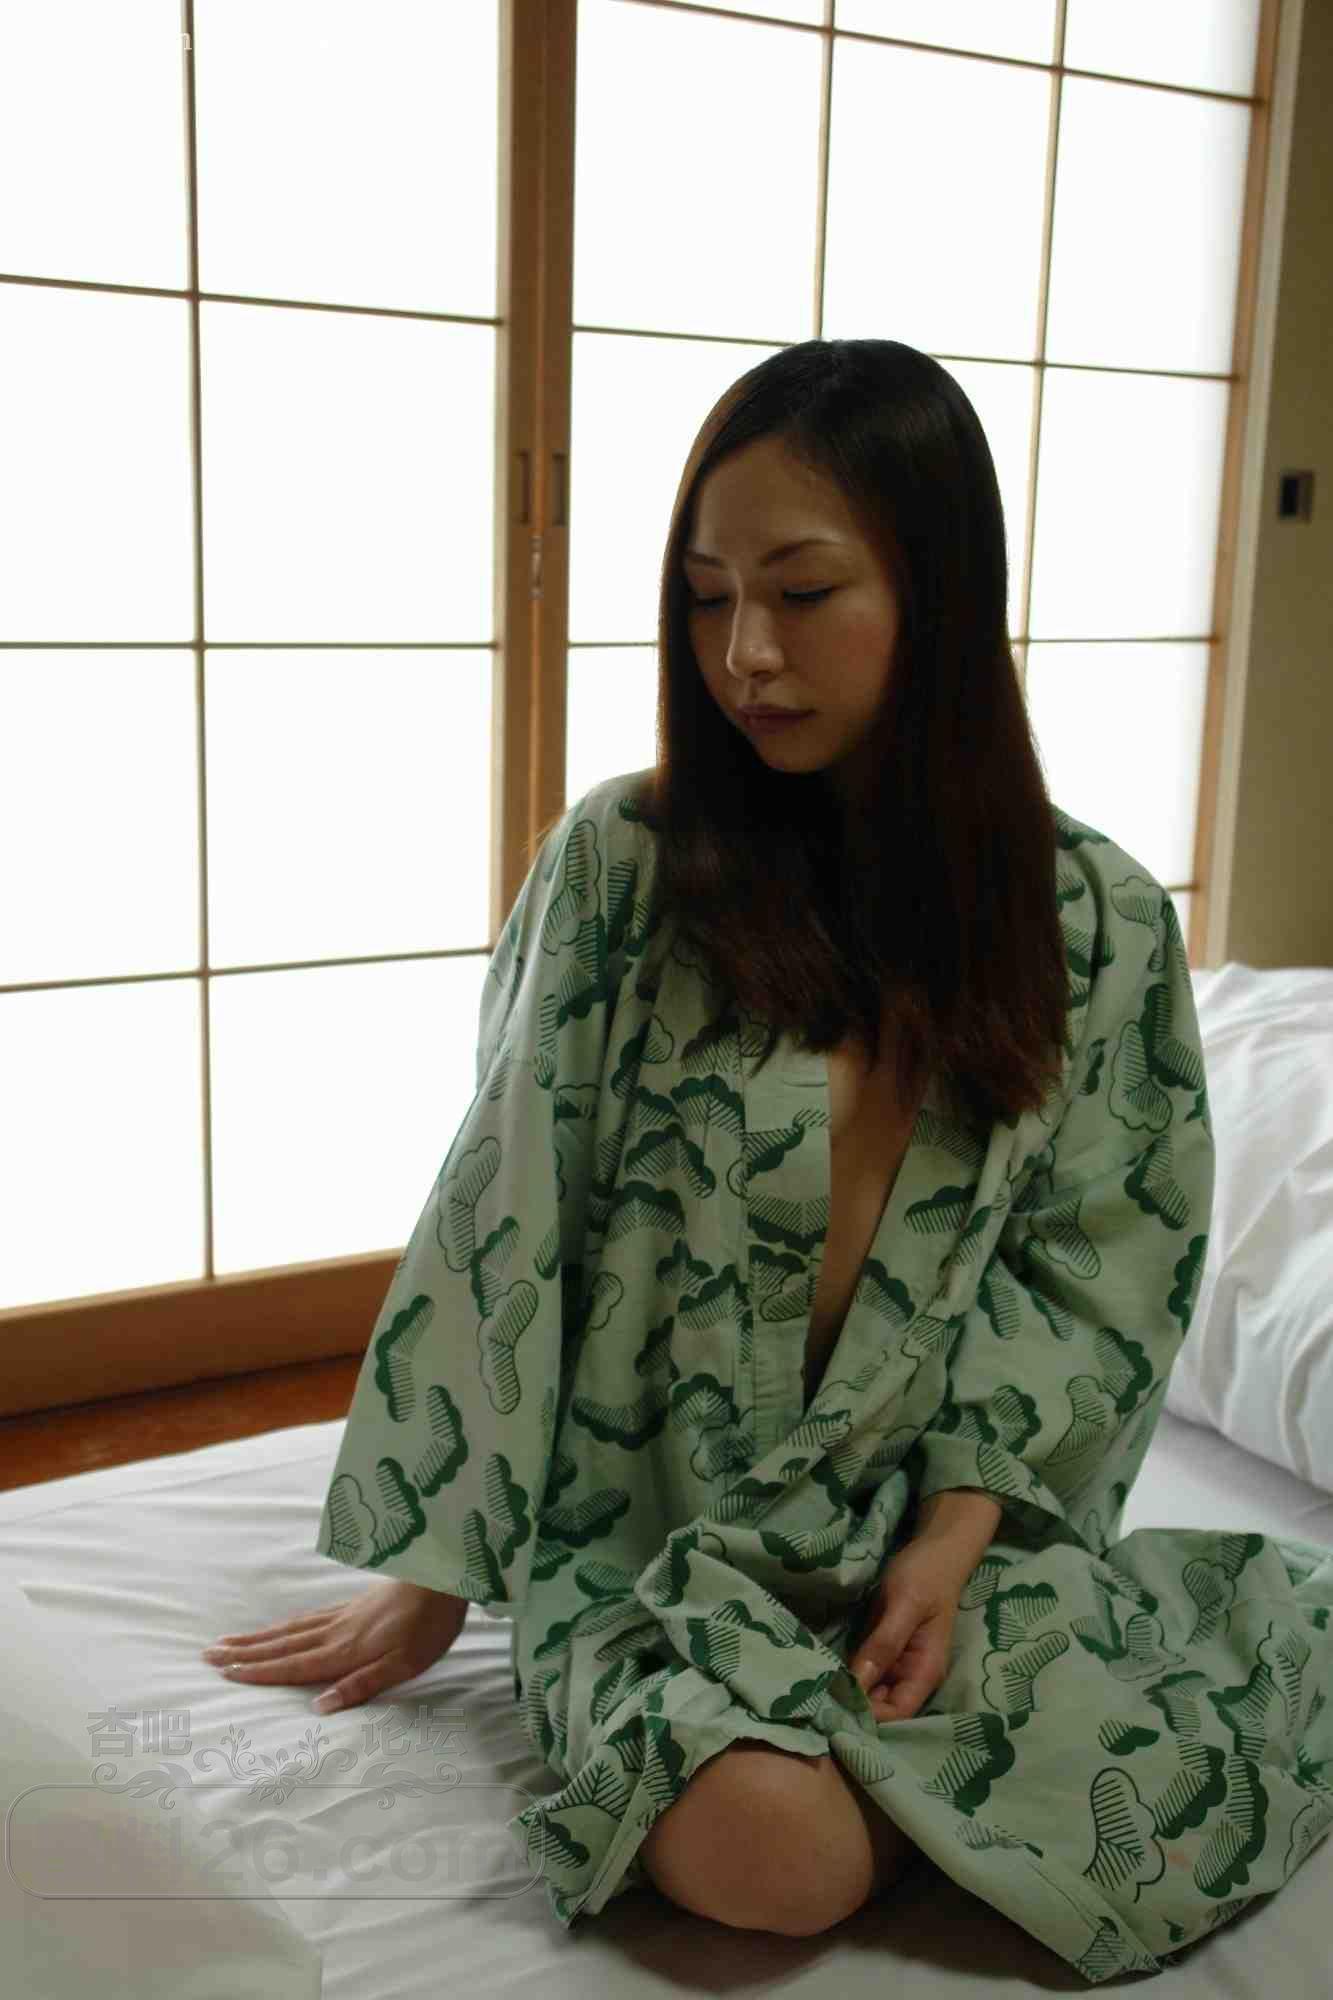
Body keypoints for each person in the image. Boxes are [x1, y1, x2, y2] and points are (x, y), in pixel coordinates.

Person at [203, 340, 1333, 1979]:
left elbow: (1100, 1261)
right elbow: (505, 1217)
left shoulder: (1091, 918)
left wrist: (950, 1545)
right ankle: (925, 1777)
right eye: (705, 596)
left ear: (937, 591)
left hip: (930, 1529)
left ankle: (966, 1720)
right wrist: (437, 1573)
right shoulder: (621, 870)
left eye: (802, 593)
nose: (744, 652)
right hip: (649, 1542)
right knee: (771, 1858)